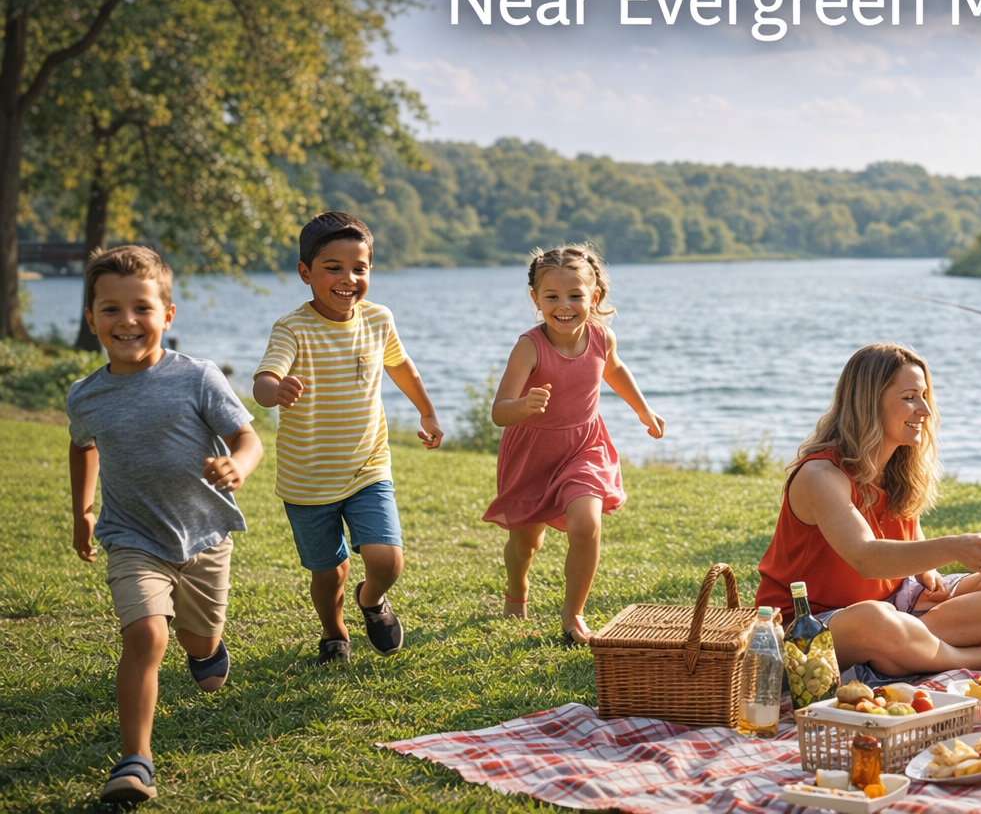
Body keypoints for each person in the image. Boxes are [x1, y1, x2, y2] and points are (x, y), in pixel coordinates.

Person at [67, 246, 264, 803]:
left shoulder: (197, 377)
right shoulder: (85, 395)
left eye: (142, 308)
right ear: (91, 320)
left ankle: (203, 650)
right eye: (110, 310)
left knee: (199, 645)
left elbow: (249, 438)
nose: (126, 321)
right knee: (145, 636)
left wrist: (237, 465)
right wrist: (83, 510)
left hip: (203, 536)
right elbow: (82, 446)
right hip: (132, 538)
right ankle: (135, 760)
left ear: (167, 315)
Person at [756, 344, 981, 677]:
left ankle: (903, 651)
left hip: (895, 604)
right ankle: (969, 657)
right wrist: (952, 547)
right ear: (868, 403)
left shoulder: (896, 469)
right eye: (909, 398)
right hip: (808, 627)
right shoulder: (820, 476)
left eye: (924, 396)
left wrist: (929, 575)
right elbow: (866, 557)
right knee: (874, 622)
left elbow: (907, 537)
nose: (924, 410)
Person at [253, 212, 443, 665]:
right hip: (307, 480)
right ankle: (333, 632)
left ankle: (372, 600)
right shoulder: (292, 328)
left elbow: (400, 364)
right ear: (306, 273)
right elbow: (265, 378)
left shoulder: (378, 319)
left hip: (367, 467)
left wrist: (428, 410)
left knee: (387, 560)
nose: (348, 278)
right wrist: (273, 390)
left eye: (359, 268)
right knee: (328, 572)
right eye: (333, 267)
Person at [482, 244, 664, 646]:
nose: (564, 306)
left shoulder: (601, 337)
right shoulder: (529, 346)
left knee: (586, 522)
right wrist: (523, 406)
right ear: (535, 299)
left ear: (594, 296)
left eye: (575, 295)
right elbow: (499, 411)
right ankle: (517, 589)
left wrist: (643, 410)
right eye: (552, 297)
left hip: (584, 446)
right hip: (532, 452)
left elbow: (614, 370)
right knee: (525, 542)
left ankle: (572, 615)